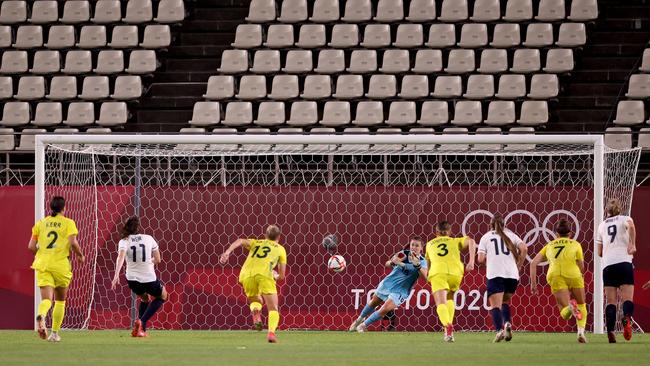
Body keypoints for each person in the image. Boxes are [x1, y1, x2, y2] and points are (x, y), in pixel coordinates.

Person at [28, 196, 84, 342]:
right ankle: (54, 334)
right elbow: (73, 242)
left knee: (46, 300)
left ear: (51, 207)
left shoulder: (41, 223)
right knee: (60, 301)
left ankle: (41, 315)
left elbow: (31, 247)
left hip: (42, 264)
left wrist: (42, 255)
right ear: (64, 208)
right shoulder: (68, 223)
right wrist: (80, 255)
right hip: (60, 265)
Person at [219, 225, 287, 343]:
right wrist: (275, 275)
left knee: (257, 301)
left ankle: (255, 311)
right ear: (279, 237)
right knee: (273, 309)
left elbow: (240, 241)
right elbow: (281, 275)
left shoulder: (256, 242)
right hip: (264, 275)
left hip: (246, 275)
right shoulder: (280, 249)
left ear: (265, 236)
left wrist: (227, 252)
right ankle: (271, 333)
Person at [349, 237, 428, 332]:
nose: (414, 247)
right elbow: (387, 263)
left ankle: (363, 326)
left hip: (401, 290)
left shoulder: (422, 262)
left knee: (385, 308)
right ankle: (359, 320)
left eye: (417, 245)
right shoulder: (404, 254)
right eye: (412, 245)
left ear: (421, 249)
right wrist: (393, 263)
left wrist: (417, 265)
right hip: (388, 283)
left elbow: (425, 277)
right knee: (374, 302)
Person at [530, 219, 588, 343]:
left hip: (555, 275)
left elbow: (533, 263)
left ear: (556, 234)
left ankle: (571, 308)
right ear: (570, 234)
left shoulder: (549, 245)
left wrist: (534, 285)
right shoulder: (575, 244)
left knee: (564, 311)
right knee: (582, 304)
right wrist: (579, 276)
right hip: (573, 273)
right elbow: (581, 266)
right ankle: (581, 332)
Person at [111, 217, 168, 337]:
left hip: (132, 279)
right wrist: (149, 261)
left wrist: (116, 275)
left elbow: (120, 258)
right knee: (163, 295)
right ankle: (142, 322)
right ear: (137, 228)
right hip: (148, 278)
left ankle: (141, 331)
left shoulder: (124, 241)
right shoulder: (148, 238)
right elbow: (158, 259)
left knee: (145, 299)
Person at [477, 214, 527, 343]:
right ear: (504, 225)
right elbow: (524, 248)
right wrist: (519, 265)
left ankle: (499, 330)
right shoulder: (512, 235)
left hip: (495, 274)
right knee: (505, 302)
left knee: (495, 306)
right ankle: (508, 323)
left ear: (490, 225)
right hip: (512, 275)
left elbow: (480, 259)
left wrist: (489, 261)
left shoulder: (486, 237)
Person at [426, 221, 476, 342]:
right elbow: (472, 241)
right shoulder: (454, 241)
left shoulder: (429, 244)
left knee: (440, 303)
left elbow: (428, 262)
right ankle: (448, 333)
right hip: (456, 273)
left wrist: (429, 274)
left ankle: (447, 325)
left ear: (436, 232)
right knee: (449, 299)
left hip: (439, 272)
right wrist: (471, 261)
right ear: (450, 232)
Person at [596, 199, 637, 343]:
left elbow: (599, 252)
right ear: (620, 209)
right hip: (624, 263)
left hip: (608, 266)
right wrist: (632, 244)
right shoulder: (626, 219)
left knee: (611, 301)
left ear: (606, 210)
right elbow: (631, 226)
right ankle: (626, 318)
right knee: (627, 299)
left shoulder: (601, 226)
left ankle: (611, 331)